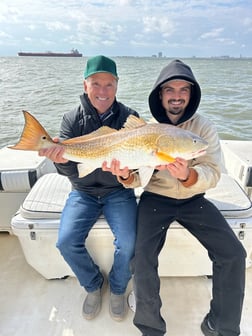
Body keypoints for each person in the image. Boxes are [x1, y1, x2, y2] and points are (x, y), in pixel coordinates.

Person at [103, 59, 246, 335]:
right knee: (141, 256)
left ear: (191, 95)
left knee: (233, 253)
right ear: (160, 94)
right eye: (170, 90)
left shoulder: (203, 129)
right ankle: (150, 327)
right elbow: (136, 177)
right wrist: (123, 175)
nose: (177, 95)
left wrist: (188, 176)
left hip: (194, 199)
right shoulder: (147, 130)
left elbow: (214, 172)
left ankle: (222, 326)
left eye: (184, 90)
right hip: (156, 199)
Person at [38, 55, 139, 321]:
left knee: (129, 243)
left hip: (118, 191)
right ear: (85, 85)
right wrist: (61, 162)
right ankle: (93, 284)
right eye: (96, 84)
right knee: (66, 242)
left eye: (109, 85)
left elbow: (139, 167)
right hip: (82, 192)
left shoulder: (131, 118)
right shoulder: (71, 119)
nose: (103, 91)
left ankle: (118, 288)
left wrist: (127, 174)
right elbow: (72, 171)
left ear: (117, 87)